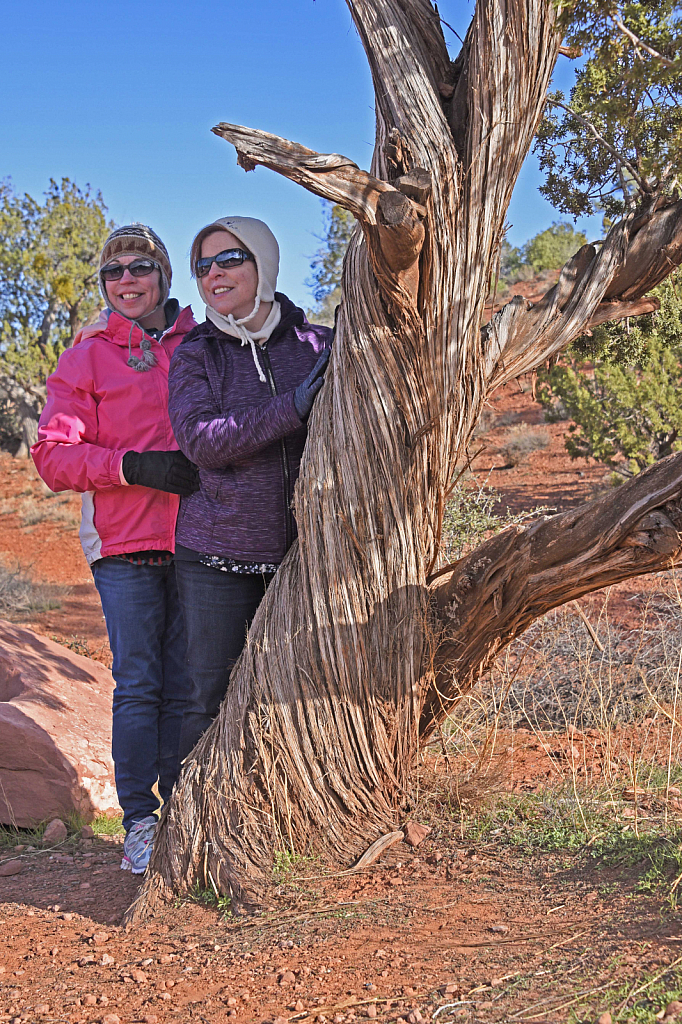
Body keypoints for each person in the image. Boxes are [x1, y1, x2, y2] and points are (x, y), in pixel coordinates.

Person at [31, 224, 198, 874]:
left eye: (140, 267)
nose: (127, 279)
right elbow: (53, 455)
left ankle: (188, 810)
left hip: (196, 540)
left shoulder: (199, 344)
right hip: (123, 546)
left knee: (188, 686)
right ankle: (141, 824)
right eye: (114, 271)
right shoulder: (86, 357)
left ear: (163, 276)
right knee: (138, 685)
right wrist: (135, 467)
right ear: (104, 284)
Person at [168, 216, 332, 763]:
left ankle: (276, 826)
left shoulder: (317, 344)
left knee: (294, 697)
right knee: (206, 701)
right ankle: (187, 832)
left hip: (303, 557)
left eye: (229, 259)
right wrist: (292, 409)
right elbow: (201, 441)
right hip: (215, 556)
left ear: (262, 262)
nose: (214, 273)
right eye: (203, 265)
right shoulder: (197, 353)